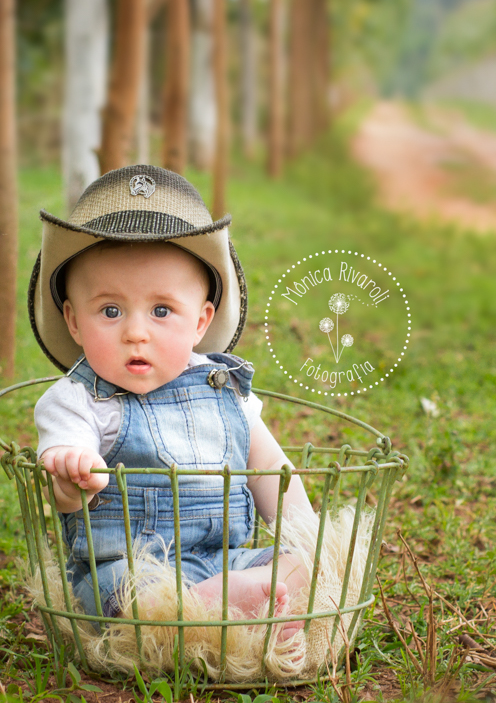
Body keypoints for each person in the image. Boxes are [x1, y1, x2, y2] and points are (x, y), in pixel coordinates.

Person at [28, 164, 314, 643]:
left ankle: (243, 596)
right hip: (130, 572)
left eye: (162, 311)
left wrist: (307, 535)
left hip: (226, 560)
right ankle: (214, 612)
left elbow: (269, 467)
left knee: (300, 566)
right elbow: (64, 486)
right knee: (120, 597)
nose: (135, 331)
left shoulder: (224, 390)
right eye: (110, 311)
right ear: (73, 322)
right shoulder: (76, 402)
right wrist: (74, 476)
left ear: (201, 322)